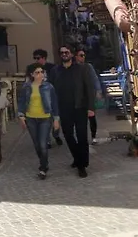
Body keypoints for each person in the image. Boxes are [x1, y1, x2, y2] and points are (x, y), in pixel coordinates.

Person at [51, 45, 96, 178]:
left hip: (80, 107)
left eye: (67, 52)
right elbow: (52, 91)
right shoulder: (55, 71)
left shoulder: (82, 69)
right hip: (63, 109)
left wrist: (91, 108)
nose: (64, 54)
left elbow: (89, 88)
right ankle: (78, 158)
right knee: (68, 135)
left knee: (82, 136)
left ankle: (82, 165)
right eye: (62, 52)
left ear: (71, 54)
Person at [18, 64, 60, 179]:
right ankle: (43, 162)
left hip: (45, 118)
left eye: (42, 72)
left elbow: (54, 104)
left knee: (43, 144)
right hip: (31, 118)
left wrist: (56, 119)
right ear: (32, 74)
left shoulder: (49, 87)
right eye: (37, 72)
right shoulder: (26, 87)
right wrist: (21, 115)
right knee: (37, 144)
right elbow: (21, 101)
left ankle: (43, 168)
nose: (40, 74)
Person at [28, 48, 63, 147]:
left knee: (55, 117)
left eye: (38, 58)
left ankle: (56, 134)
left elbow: (57, 81)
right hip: (40, 97)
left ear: (44, 58)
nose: (36, 60)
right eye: (35, 58)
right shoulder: (33, 69)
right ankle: (47, 140)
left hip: (52, 95)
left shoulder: (52, 68)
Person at [75, 46, 102, 145]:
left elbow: (94, 78)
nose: (83, 57)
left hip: (89, 95)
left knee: (92, 116)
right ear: (76, 57)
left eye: (84, 55)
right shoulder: (73, 68)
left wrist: (98, 90)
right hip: (78, 96)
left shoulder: (88, 67)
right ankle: (81, 138)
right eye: (81, 55)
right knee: (80, 119)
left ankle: (93, 136)